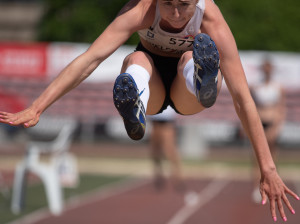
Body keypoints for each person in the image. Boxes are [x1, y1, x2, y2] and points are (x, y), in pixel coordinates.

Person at [0, 0, 298, 221]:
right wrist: (38, 106)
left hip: (187, 95)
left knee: (193, 57)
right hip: (153, 83)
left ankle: (202, 78)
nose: (177, 14)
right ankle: (135, 105)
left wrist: (267, 168)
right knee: (134, 62)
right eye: (168, 4)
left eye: (184, 5)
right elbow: (90, 59)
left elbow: (242, 97)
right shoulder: (141, 10)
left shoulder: (211, 21)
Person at [250, 59, 286, 203]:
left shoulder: (278, 87)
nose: (267, 70)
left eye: (269, 68)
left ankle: (274, 186)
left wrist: (277, 126)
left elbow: (281, 108)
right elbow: (250, 107)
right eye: (265, 68)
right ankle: (256, 187)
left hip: (272, 122)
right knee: (257, 157)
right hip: (259, 123)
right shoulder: (255, 86)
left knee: (272, 157)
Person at [148, 106, 183, 190]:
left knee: (170, 151)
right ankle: (158, 176)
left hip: (167, 123)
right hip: (154, 122)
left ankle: (177, 178)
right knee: (155, 152)